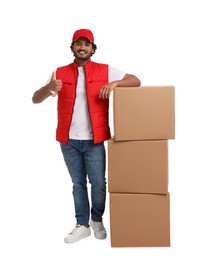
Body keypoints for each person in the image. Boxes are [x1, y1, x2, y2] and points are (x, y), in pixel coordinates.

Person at [32, 28, 141, 243]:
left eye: (86, 44)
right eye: (78, 44)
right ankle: (81, 224)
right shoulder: (59, 72)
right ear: (72, 47)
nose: (82, 47)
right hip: (69, 140)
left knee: (99, 183)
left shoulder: (105, 70)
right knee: (78, 183)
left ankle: (96, 220)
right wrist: (49, 87)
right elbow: (35, 99)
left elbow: (136, 80)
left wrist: (115, 83)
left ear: (92, 48)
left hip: (95, 139)